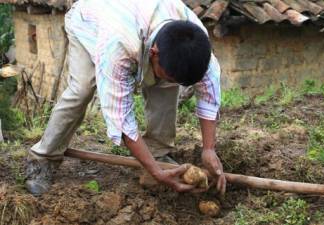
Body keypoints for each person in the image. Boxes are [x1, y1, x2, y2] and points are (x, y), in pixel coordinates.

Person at [25, 0, 226, 196]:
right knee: (82, 89)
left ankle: (157, 154)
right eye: (169, 74)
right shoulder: (119, 46)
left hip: (137, 20)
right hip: (89, 23)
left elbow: (209, 93)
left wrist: (209, 149)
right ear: (154, 53)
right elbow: (121, 119)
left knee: (165, 84)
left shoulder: (196, 45)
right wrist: (158, 174)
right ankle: (42, 158)